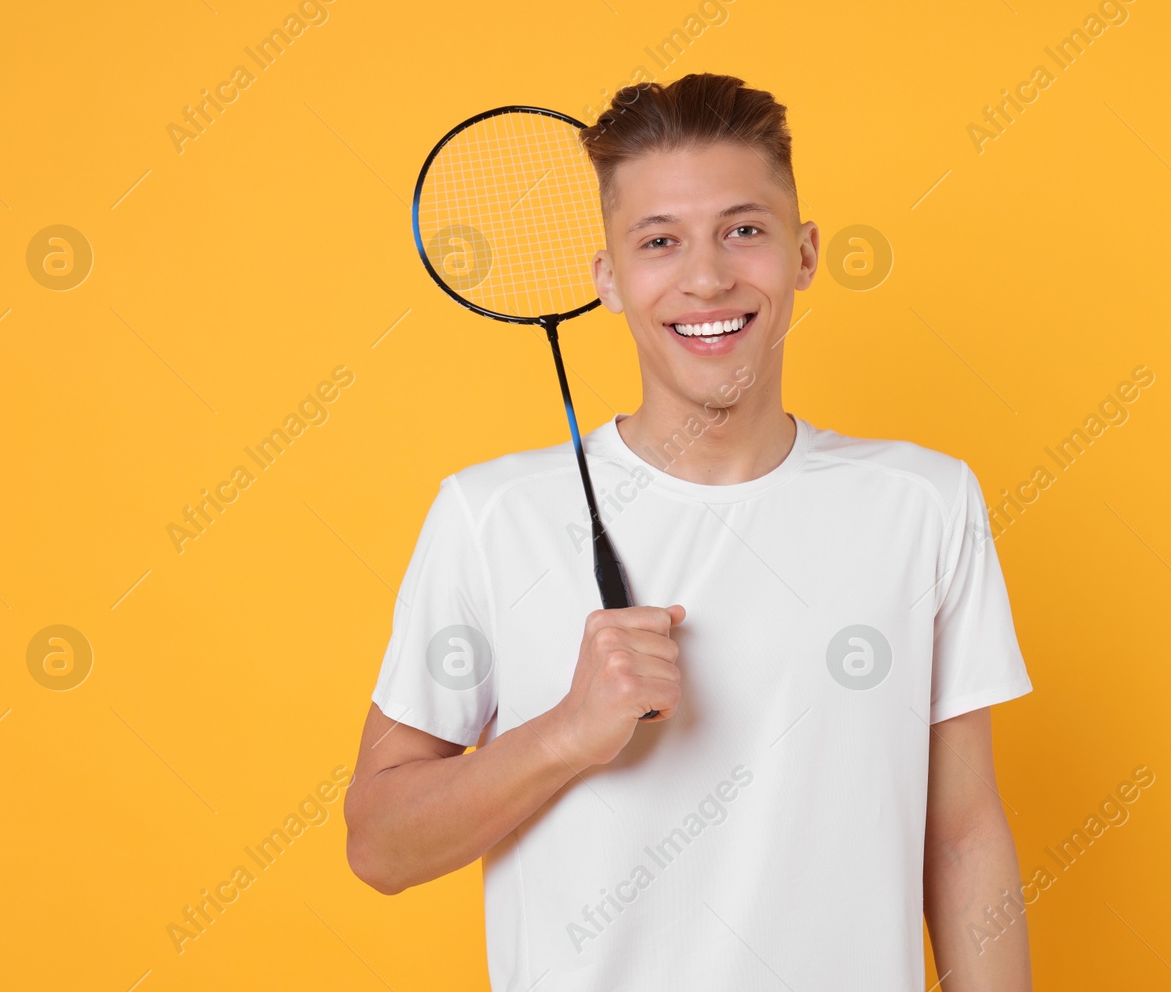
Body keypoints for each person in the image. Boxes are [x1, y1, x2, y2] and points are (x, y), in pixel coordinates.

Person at [345, 72, 1035, 991]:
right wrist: (564, 733)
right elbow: (380, 844)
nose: (707, 277)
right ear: (609, 279)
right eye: (659, 241)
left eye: (743, 230)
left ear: (805, 252)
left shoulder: (924, 502)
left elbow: (961, 832)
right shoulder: (490, 517)